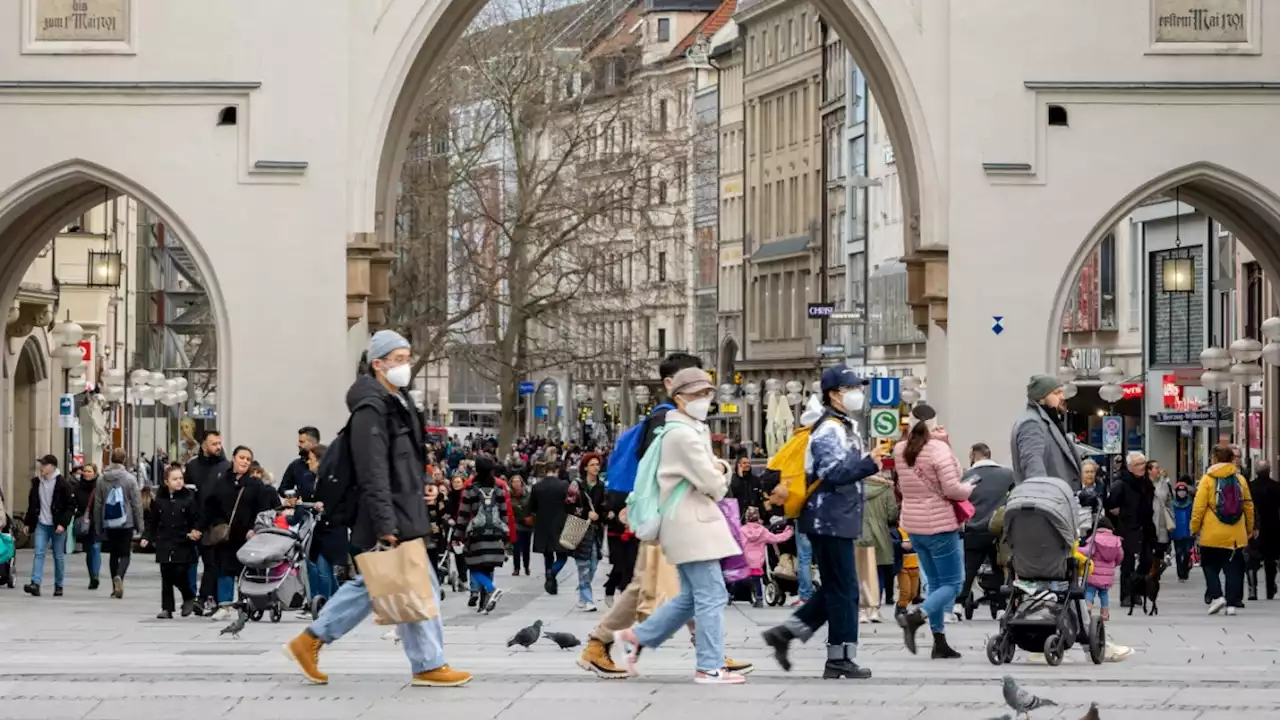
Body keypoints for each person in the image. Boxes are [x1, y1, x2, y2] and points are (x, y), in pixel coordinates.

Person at [283, 329, 471, 687]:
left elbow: (403, 463)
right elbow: (373, 471)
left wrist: (424, 488)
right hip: (387, 513)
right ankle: (428, 664)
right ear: (378, 364)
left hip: (401, 508)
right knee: (415, 585)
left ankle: (311, 640)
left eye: (408, 358)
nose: (407, 365)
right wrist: (386, 521)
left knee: (385, 583)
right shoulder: (372, 409)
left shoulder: (397, 403)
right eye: (399, 359)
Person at [577, 353, 752, 679]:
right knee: (653, 587)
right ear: (673, 385)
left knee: (674, 590)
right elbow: (690, 477)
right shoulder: (670, 423)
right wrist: (717, 470)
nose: (705, 397)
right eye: (697, 388)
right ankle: (605, 642)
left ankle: (694, 648)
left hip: (662, 516)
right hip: (668, 516)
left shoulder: (673, 422)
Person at [762, 364, 883, 680]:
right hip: (827, 516)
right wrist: (868, 464)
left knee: (838, 588)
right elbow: (833, 472)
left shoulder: (843, 426)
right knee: (845, 590)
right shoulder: (829, 428)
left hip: (835, 516)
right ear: (834, 394)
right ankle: (839, 656)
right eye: (852, 388)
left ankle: (788, 634)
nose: (858, 393)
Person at [893, 404, 971, 659]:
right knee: (953, 583)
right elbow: (953, 486)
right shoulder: (938, 449)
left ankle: (939, 642)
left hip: (914, 525)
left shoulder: (899, 448)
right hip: (939, 525)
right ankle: (918, 616)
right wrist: (969, 488)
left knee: (936, 583)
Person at [204, 445, 279, 618]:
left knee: (247, 571)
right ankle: (225, 605)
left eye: (248, 459)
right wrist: (217, 524)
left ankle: (247, 604)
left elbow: (263, 510)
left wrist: (254, 529)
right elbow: (211, 507)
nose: (244, 461)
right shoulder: (221, 482)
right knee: (224, 569)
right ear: (233, 458)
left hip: (247, 537)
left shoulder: (256, 485)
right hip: (226, 535)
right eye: (241, 457)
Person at [1192, 445, 1255, 616]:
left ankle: (1218, 595)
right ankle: (1231, 604)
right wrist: (1248, 528)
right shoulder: (1240, 479)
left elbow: (1199, 507)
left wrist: (1194, 528)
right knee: (1234, 568)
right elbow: (1248, 506)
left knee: (1209, 565)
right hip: (1236, 533)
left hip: (1212, 533)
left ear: (1214, 458)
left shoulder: (1207, 479)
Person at [958, 443, 1015, 618]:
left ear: (974, 455)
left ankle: (959, 604)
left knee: (969, 569)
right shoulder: (1008, 475)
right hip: (999, 530)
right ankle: (1000, 606)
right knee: (998, 568)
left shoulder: (967, 476)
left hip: (974, 529)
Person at [142, 465, 203, 618]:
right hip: (164, 541)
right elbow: (152, 521)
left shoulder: (189, 498)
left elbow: (196, 518)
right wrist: (146, 537)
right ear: (166, 482)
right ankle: (167, 608)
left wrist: (195, 530)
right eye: (174, 479)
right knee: (166, 575)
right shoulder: (159, 500)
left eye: (181, 478)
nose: (179, 482)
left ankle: (188, 596)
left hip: (183, 541)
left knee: (180, 572)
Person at [457, 456, 510, 614]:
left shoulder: (471, 490)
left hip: (477, 534)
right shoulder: (499, 489)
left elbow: (464, 514)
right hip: (495, 533)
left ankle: (491, 589)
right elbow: (504, 513)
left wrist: (458, 535)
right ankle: (484, 602)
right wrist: (506, 535)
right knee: (488, 566)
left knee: (473, 566)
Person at [1011, 375, 1083, 490]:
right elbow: (1034, 472)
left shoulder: (1046, 421)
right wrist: (1045, 499)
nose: (1062, 397)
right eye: (1056, 393)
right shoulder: (1031, 424)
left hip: (1056, 502)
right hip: (1049, 503)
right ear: (1041, 398)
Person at [91, 449, 146, 599]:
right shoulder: (129, 479)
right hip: (126, 522)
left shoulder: (102, 479)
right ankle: (120, 577)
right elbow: (137, 504)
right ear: (124, 460)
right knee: (125, 553)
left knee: (113, 554)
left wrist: (98, 525)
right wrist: (140, 526)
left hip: (109, 521)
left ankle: (114, 584)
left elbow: (98, 504)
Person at [186, 430, 230, 611]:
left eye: (219, 443)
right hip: (196, 522)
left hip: (216, 523)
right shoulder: (193, 466)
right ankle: (197, 597)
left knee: (213, 563)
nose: (218, 447)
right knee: (195, 562)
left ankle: (205, 598)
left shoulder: (226, 467)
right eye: (214, 444)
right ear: (204, 445)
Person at [1106, 452, 1155, 607]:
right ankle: (1126, 595)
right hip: (1127, 528)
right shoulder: (1121, 484)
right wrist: (1120, 521)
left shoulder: (1147, 483)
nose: (1142, 467)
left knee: (1146, 560)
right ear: (1130, 467)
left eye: (1143, 463)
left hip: (1146, 526)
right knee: (1128, 562)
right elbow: (1111, 506)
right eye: (1138, 464)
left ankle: (1138, 591)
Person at [23, 455, 75, 597]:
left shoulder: (63, 484)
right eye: (41, 465)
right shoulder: (36, 483)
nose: (41, 468)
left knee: (58, 556)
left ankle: (59, 585)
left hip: (57, 525)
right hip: (42, 523)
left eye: (44, 465)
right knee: (39, 552)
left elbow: (70, 507)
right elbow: (32, 505)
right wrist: (28, 523)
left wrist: (63, 524)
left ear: (52, 467)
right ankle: (35, 583)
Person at [858, 465, 897, 623]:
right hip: (880, 534)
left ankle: (861, 611)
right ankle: (874, 609)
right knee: (878, 572)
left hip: (857, 533)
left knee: (862, 573)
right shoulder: (886, 489)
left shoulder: (855, 488)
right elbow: (892, 514)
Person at [529, 461, 570, 594]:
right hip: (560, 524)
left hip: (542, 524)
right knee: (563, 555)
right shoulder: (564, 486)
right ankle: (552, 573)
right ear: (557, 470)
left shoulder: (537, 487)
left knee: (548, 555)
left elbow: (532, 507)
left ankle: (550, 580)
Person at [741, 507, 792, 607]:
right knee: (757, 580)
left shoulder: (742, 530)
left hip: (745, 560)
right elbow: (776, 538)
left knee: (738, 579)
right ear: (758, 518)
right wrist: (789, 532)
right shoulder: (762, 531)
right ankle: (759, 599)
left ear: (747, 518)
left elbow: (739, 544)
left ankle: (730, 595)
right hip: (757, 561)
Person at [1247, 461, 1280, 600]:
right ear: (1270, 471)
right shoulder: (1277, 487)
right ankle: (1270, 588)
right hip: (1273, 528)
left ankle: (1252, 589)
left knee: (1252, 559)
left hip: (1254, 528)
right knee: (1270, 560)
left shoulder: (1250, 487)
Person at [1080, 516, 1123, 621]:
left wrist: (1076, 549)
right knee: (1104, 593)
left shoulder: (1094, 539)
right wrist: (1114, 564)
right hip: (1107, 575)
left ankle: (1088, 608)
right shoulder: (1116, 541)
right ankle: (1105, 612)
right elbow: (1120, 555)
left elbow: (1088, 551)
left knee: (1090, 591)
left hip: (1093, 572)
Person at [72, 463, 102, 590]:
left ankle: (95, 576)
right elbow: (74, 503)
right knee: (89, 551)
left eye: (89, 471)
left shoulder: (100, 486)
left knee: (95, 548)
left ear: (95, 473)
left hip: (97, 522)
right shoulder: (77, 487)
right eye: (85, 471)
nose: (86, 473)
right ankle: (92, 576)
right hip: (85, 522)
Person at [280, 426, 321, 498]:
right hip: (301, 507)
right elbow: (283, 489)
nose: (298, 445)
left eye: (302, 442)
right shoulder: (295, 465)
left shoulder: (328, 464)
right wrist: (293, 496)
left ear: (313, 443)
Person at [509, 474, 534, 576]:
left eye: (518, 481)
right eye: (514, 482)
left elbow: (532, 507)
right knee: (516, 547)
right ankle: (516, 568)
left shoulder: (527, 494)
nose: (516, 484)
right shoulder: (509, 496)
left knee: (526, 547)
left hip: (527, 524)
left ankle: (526, 566)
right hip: (515, 524)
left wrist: (531, 517)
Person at [1171, 477, 1195, 581]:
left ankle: (1185, 569)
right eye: (1179, 491)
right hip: (1177, 532)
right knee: (1178, 552)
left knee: (1187, 552)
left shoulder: (1191, 503)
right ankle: (1180, 572)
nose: (1181, 493)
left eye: (1183, 491)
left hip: (1188, 532)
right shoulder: (1172, 504)